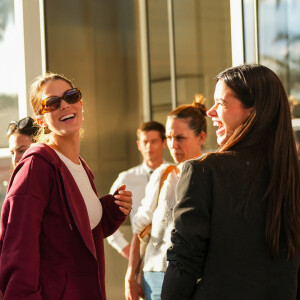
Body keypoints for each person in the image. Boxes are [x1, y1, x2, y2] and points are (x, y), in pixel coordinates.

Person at [161, 64, 300, 300]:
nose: (210, 112)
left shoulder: (204, 171)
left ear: (253, 110)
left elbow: (184, 262)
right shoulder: (291, 175)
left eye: (222, 103)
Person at [0, 73, 132, 300]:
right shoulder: (36, 166)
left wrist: (109, 211)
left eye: (71, 96)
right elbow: (18, 250)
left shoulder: (80, 166)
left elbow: (70, 238)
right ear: (41, 120)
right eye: (52, 103)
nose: (64, 105)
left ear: (80, 103)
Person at [125, 96, 207, 300]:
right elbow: (139, 227)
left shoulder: (210, 176)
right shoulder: (163, 174)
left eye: (180, 137)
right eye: (169, 138)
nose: (173, 145)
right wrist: (130, 276)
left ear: (201, 137)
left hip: (193, 278)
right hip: (152, 275)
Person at [107, 121, 167, 259]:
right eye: (145, 142)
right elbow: (107, 218)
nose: (149, 146)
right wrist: (129, 252)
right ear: (139, 145)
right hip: (142, 257)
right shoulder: (126, 178)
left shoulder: (176, 172)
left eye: (154, 141)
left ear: (164, 143)